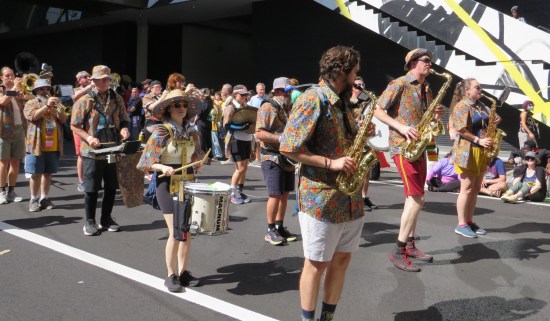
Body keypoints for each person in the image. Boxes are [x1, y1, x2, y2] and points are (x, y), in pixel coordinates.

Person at [280, 45, 366, 321]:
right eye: (355, 71)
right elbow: (288, 146)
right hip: (322, 198)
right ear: (342, 70)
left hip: (349, 197)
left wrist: (362, 134)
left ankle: (327, 317)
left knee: (342, 261)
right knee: (316, 264)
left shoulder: (343, 102)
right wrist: (332, 163)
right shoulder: (311, 99)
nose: (357, 76)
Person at [374, 48, 444, 271]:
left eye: (430, 61)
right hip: (403, 147)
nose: (429, 64)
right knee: (416, 198)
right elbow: (376, 110)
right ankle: (398, 249)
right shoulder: (399, 84)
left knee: (414, 197)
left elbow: (427, 118)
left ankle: (411, 244)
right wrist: (400, 126)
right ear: (413, 62)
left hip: (418, 147)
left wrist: (435, 116)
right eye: (426, 60)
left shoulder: (426, 88)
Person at [137, 88, 203, 292]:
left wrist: (197, 161)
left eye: (184, 105)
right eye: (177, 105)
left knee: (187, 231)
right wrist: (162, 167)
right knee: (175, 231)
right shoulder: (162, 131)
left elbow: (196, 155)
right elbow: (144, 163)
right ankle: (170, 274)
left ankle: (184, 272)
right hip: (167, 183)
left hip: (188, 182)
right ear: (168, 109)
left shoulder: (192, 131)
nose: (182, 108)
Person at [70, 65, 130, 236]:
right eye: (100, 79)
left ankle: (106, 218)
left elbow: (124, 119)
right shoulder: (85, 99)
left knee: (111, 186)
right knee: (91, 187)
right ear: (93, 81)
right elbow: (74, 125)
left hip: (112, 148)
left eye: (106, 79)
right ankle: (89, 221)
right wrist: (88, 138)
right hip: (92, 151)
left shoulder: (116, 97)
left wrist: (124, 129)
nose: (104, 82)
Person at [449, 78, 500, 238]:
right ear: (467, 90)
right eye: (477, 87)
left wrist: (495, 122)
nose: (480, 90)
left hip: (481, 151)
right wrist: (478, 140)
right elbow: (460, 129)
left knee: (476, 189)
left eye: (480, 87)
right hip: (467, 151)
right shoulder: (462, 106)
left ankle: (469, 222)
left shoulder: (480, 106)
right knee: (467, 188)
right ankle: (461, 224)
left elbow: (487, 124)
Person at [256, 77, 297, 245]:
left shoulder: (288, 107)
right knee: (275, 194)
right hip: (271, 156)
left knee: (285, 194)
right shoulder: (267, 107)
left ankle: (279, 226)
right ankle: (270, 229)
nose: (291, 93)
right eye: (288, 91)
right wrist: (281, 138)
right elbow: (259, 133)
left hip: (286, 157)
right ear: (278, 91)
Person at [23, 78, 67, 212]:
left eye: (48, 88)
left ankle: (43, 198)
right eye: (43, 88)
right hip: (37, 144)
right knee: (35, 173)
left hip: (53, 144)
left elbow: (64, 120)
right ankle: (33, 199)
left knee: (48, 174)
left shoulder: (54, 103)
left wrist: (59, 109)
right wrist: (47, 106)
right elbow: (33, 117)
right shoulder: (30, 103)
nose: (46, 91)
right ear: (36, 90)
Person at [350, 76, 378, 211]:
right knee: (356, 172)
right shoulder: (348, 103)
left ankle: (363, 196)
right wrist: (357, 123)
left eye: (362, 84)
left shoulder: (365, 103)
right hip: (353, 142)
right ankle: (355, 199)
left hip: (365, 141)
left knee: (366, 172)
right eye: (357, 86)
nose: (361, 87)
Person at [223, 84, 253, 204]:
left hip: (247, 139)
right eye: (242, 95)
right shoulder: (230, 107)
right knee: (240, 168)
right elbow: (226, 124)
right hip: (236, 139)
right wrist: (241, 126)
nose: (245, 97)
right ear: (235, 95)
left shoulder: (245, 106)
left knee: (244, 168)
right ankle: (232, 193)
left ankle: (239, 192)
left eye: (246, 95)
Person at [0, 66, 25, 204]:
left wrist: (21, 91)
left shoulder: (16, 90)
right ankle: (1, 191)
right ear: (1, 78)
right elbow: (3, 102)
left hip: (19, 128)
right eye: (7, 75)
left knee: (15, 161)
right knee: (3, 161)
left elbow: (26, 99)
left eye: (12, 75)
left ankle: (11, 191)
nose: (10, 77)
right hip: (3, 129)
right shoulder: (1, 90)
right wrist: (14, 87)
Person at [72, 71, 93, 192]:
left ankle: (91, 179)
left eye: (89, 76)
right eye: (85, 77)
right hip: (79, 126)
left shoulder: (92, 89)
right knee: (80, 154)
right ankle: (81, 181)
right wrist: (90, 87)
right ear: (79, 80)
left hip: (91, 126)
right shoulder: (74, 89)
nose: (88, 78)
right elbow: (75, 97)